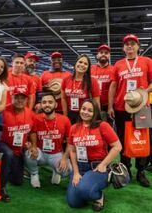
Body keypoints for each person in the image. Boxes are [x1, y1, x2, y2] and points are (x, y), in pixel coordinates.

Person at [108, 34, 152, 187]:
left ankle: (141, 170)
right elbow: (113, 86)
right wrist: (110, 106)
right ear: (123, 48)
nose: (130, 46)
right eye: (127, 44)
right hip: (122, 107)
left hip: (142, 107)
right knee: (123, 138)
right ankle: (125, 167)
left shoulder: (147, 61)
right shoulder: (118, 64)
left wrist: (143, 93)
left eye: (133, 44)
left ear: (138, 47)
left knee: (143, 139)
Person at [67, 99, 122, 211]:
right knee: (73, 202)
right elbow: (72, 151)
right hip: (80, 167)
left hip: (97, 168)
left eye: (90, 110)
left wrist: (103, 164)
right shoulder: (73, 128)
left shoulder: (103, 126)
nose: (85, 112)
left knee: (83, 189)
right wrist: (76, 172)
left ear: (95, 113)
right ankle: (87, 188)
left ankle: (99, 196)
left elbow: (117, 147)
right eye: (83, 109)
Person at [24, 92, 72, 188]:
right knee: (28, 153)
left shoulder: (65, 120)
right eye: (44, 102)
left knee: (67, 170)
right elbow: (32, 133)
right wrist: (32, 146)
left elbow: (70, 142)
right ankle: (34, 174)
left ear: (56, 104)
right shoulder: (36, 118)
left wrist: (64, 158)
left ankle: (56, 171)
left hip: (56, 154)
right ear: (41, 105)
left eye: (50, 102)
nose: (47, 105)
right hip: (40, 152)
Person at [0, 87, 35, 202]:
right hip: (3, 145)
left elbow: (33, 131)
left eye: (22, 98)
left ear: (27, 100)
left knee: (17, 181)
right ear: (11, 98)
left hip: (19, 149)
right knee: (8, 154)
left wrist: (32, 144)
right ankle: (1, 188)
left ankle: (7, 171)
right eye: (16, 97)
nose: (20, 100)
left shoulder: (30, 113)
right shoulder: (3, 111)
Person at [61, 54, 100, 124]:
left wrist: (96, 118)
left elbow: (96, 102)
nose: (82, 65)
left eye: (85, 64)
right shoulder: (66, 80)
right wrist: (65, 115)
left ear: (88, 67)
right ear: (76, 63)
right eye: (80, 62)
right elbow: (63, 98)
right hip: (71, 114)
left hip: (86, 114)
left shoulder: (92, 81)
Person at [91, 45, 113, 121]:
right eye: (101, 52)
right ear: (97, 55)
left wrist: (111, 107)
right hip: (93, 104)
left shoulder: (113, 69)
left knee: (108, 127)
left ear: (109, 55)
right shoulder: (90, 69)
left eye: (106, 53)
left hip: (108, 105)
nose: (103, 54)